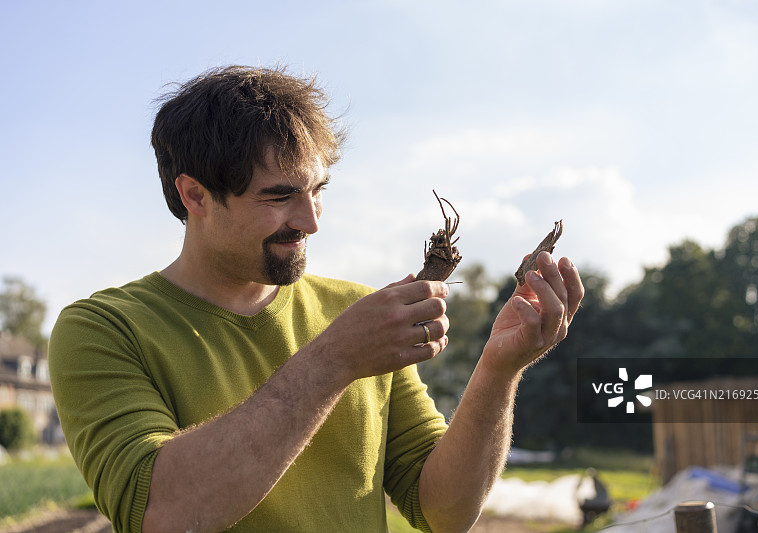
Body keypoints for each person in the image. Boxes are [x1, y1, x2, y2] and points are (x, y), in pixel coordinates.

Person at [49, 65, 584, 533]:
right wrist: (335, 360)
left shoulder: (357, 312)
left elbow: (442, 512)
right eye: (279, 196)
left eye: (318, 190)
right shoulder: (103, 329)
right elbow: (160, 514)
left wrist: (499, 369)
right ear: (195, 196)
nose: (309, 222)